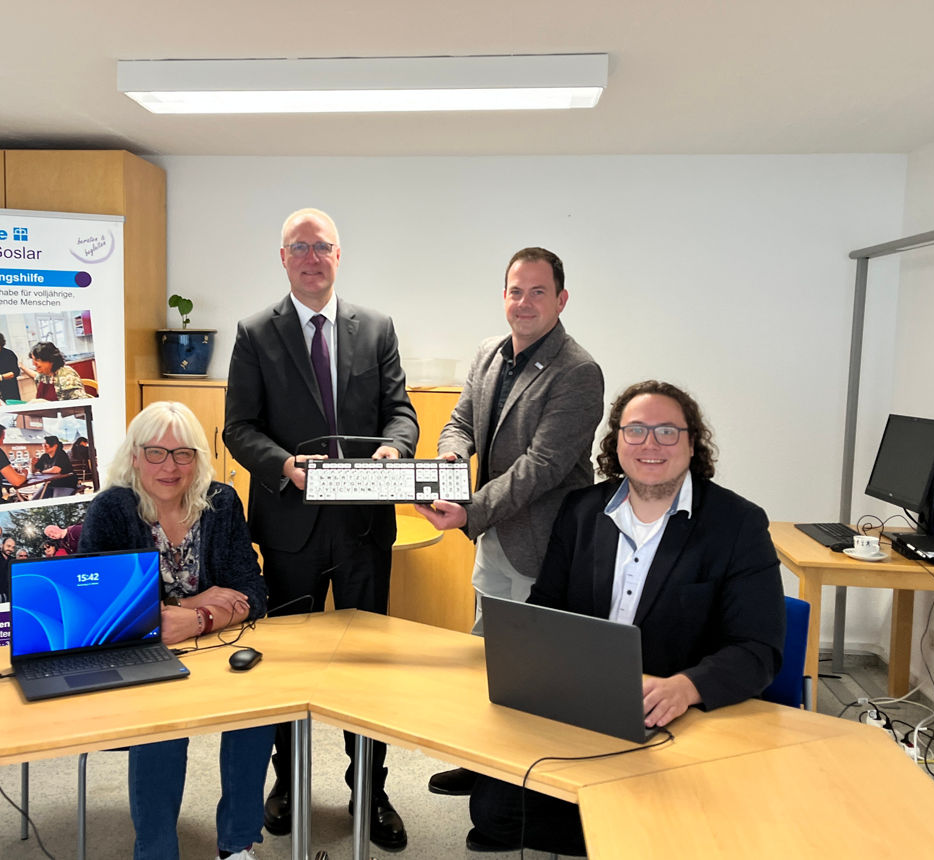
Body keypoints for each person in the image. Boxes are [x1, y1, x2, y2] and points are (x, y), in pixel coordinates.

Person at [465, 380, 785, 855]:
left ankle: (653, 825)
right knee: (492, 812)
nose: (650, 444)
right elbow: (545, 605)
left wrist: (687, 686)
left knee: (698, 809)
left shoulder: (738, 524)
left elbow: (758, 649)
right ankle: (646, 828)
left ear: (692, 443)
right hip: (583, 707)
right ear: (616, 442)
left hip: (675, 721)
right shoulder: (580, 511)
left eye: (667, 432)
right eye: (635, 431)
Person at [223, 207, 419, 851]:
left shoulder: (378, 328)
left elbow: (401, 413)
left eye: (323, 247)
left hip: (364, 527)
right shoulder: (254, 333)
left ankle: (372, 788)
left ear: (340, 255)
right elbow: (239, 428)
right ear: (283, 258)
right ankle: (287, 783)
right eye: (299, 247)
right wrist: (285, 464)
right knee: (286, 664)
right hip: (288, 530)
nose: (312, 258)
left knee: (369, 668)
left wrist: (394, 450)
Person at [414, 246, 605, 798]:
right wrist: (451, 456)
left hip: (543, 540)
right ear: (504, 297)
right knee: (486, 654)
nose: (524, 303)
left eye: (538, 292)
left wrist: (469, 510)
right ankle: (484, 767)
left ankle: (524, 792)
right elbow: (459, 421)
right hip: (495, 536)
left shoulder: (577, 370)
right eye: (515, 291)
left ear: (561, 299)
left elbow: (542, 467)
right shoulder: (488, 353)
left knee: (534, 671)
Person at [78, 400, 269, 860]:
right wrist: (191, 603)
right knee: (162, 724)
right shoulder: (112, 509)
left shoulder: (221, 502)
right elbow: (95, 610)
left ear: (199, 459)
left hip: (210, 649)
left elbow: (254, 593)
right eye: (157, 453)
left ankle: (237, 844)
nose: (170, 466)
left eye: (183, 454)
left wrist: (199, 619)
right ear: (135, 456)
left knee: (259, 708)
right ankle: (157, 850)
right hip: (132, 656)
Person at [21, 341, 88, 400]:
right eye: (33, 360)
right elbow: (36, 376)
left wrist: (45, 404)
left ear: (51, 360)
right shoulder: (46, 374)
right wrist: (22, 367)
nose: (34, 364)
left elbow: (79, 406)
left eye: (37, 360)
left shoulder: (67, 375)